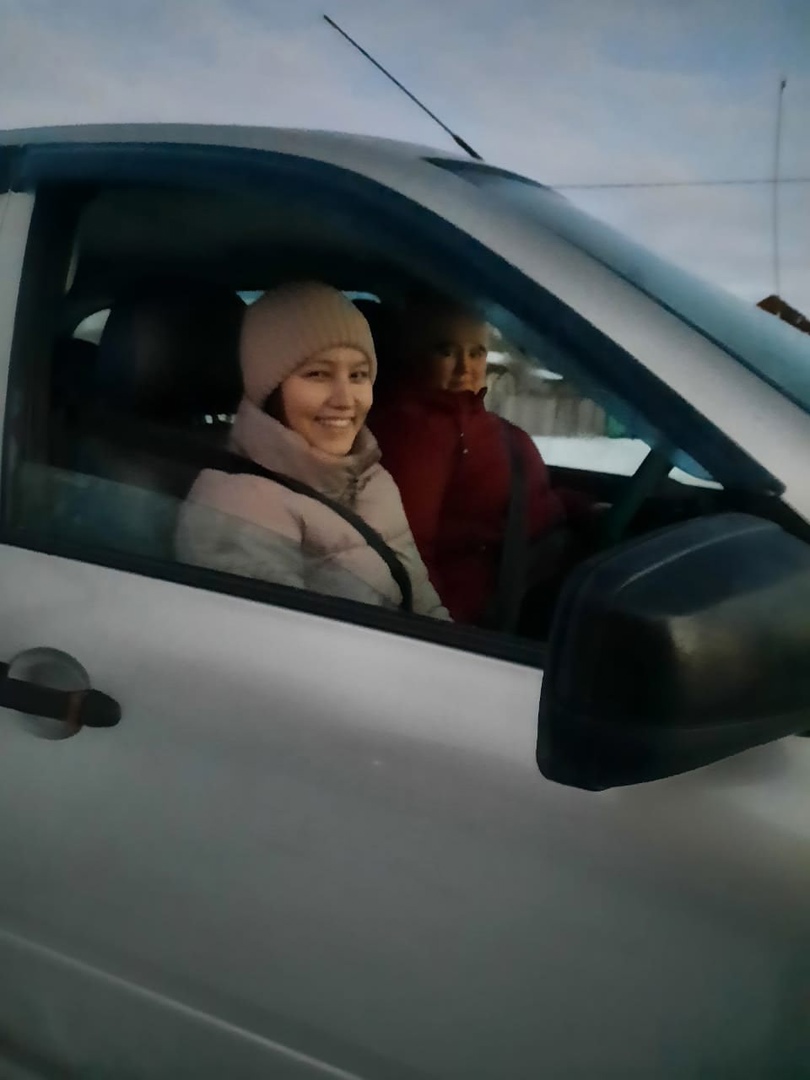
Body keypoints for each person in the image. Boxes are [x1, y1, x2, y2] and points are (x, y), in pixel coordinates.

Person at [176, 282, 449, 619]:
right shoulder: (238, 502)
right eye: (318, 374)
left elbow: (424, 607)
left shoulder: (370, 478)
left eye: (358, 375)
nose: (345, 400)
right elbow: (273, 642)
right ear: (270, 388)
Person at [369, 294, 592, 626]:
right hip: (493, 611)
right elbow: (410, 549)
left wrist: (578, 506)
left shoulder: (469, 416)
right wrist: (444, 632)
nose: (465, 368)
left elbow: (510, 500)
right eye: (446, 351)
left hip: (538, 566)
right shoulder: (416, 430)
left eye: (476, 353)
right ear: (412, 355)